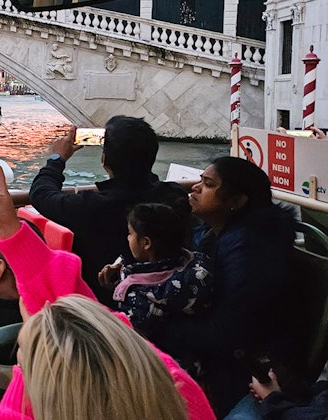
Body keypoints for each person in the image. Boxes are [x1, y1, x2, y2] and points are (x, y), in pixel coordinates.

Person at [0, 161, 215, 420]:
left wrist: (25, 376)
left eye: (26, 350)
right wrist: (10, 230)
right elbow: (93, 328)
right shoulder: (172, 390)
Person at [156, 157, 296, 417]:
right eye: (199, 181)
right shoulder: (213, 234)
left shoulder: (251, 250)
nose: (195, 188)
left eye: (208, 184)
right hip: (222, 357)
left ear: (236, 202)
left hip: (247, 371)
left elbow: (228, 331)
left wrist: (158, 328)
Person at [28, 116, 189, 306]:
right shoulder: (175, 196)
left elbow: (41, 194)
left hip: (103, 307)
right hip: (169, 300)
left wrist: (57, 158)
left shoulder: (91, 207)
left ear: (104, 160)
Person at [97, 202, 213, 341]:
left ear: (146, 243)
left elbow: (129, 339)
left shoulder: (139, 297)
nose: (128, 238)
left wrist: (121, 289)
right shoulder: (198, 262)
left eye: (130, 234)